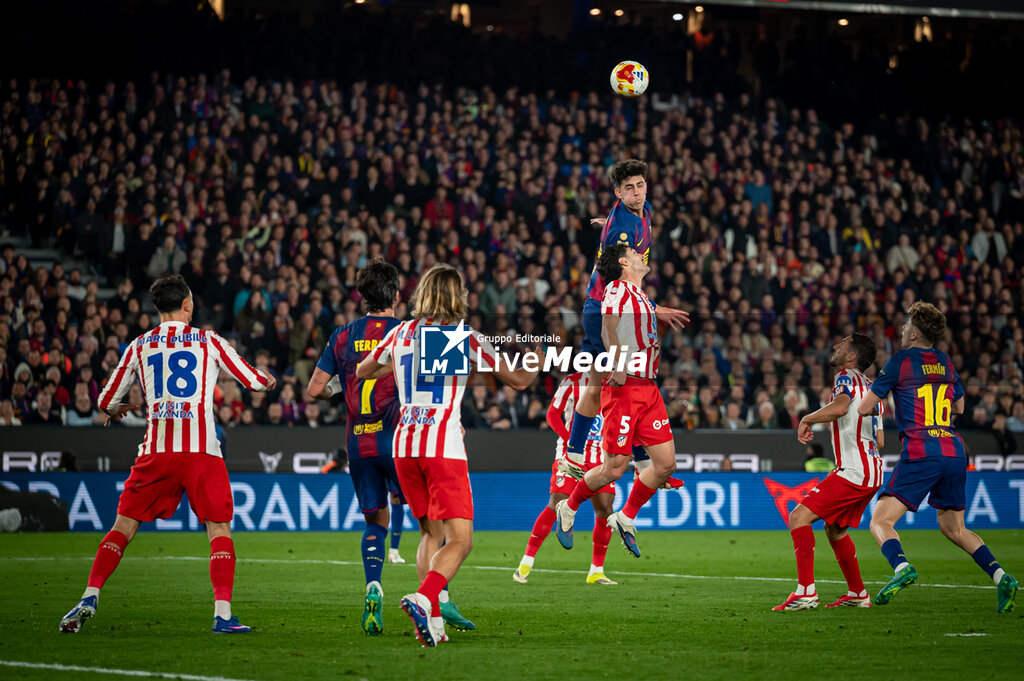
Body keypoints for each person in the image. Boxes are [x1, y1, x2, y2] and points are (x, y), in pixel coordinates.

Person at [59, 274, 275, 634]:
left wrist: (116, 410)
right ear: (187, 304)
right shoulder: (208, 340)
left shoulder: (139, 345)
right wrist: (266, 380)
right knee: (218, 527)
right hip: (202, 451)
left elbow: (104, 400)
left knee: (123, 526)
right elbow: (252, 380)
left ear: (157, 308)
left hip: (157, 450)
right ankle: (222, 615)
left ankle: (89, 594)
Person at [356, 264, 537, 647]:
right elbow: (519, 380)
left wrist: (396, 370)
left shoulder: (402, 332)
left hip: (405, 445)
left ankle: (434, 620)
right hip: (443, 448)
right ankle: (425, 597)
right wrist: (537, 359)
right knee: (461, 540)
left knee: (429, 533)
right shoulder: (464, 338)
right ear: (457, 297)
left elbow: (363, 370)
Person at [305, 260, 469, 635]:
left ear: (362, 297)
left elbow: (315, 389)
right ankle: (437, 601)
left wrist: (341, 388)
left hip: (358, 440)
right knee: (434, 527)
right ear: (396, 295)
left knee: (375, 522)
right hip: (401, 438)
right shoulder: (409, 331)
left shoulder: (343, 336)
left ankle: (373, 588)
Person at [858, 302, 1017, 613]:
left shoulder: (900, 361)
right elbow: (958, 408)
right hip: (953, 448)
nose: (902, 330)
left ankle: (902, 567)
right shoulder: (945, 362)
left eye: (905, 326)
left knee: (881, 519)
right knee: (954, 527)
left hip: (921, 447)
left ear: (915, 333)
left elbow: (865, 407)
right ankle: (1001, 576)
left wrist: (894, 399)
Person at [562, 159, 688, 475]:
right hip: (609, 305)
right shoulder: (622, 228)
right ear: (618, 192)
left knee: (605, 381)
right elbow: (621, 282)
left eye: (640, 185)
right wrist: (653, 306)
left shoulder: (641, 212)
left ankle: (579, 455)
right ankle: (617, 456)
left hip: (614, 303)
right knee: (619, 380)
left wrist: (609, 224)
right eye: (628, 189)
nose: (637, 193)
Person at [554, 243, 677, 558]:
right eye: (635, 254)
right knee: (614, 468)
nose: (641, 256)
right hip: (624, 388)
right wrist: (618, 362)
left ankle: (625, 517)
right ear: (624, 262)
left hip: (649, 389)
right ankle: (569, 507)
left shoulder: (641, 296)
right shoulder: (617, 290)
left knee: (665, 465)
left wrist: (660, 310)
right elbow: (608, 325)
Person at [774, 334, 884, 611]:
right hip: (873, 469)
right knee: (834, 529)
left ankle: (805, 592)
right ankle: (858, 593)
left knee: (798, 516)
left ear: (851, 357)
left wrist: (807, 418)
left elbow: (841, 407)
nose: (835, 346)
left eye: (842, 344)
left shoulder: (845, 377)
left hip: (854, 470)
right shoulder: (873, 389)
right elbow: (880, 440)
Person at [512, 371, 616, 587]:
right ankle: (526, 562)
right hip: (570, 453)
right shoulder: (572, 382)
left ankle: (596, 571)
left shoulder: (616, 382)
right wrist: (572, 440)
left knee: (605, 508)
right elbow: (552, 414)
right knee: (557, 501)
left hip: (599, 455)